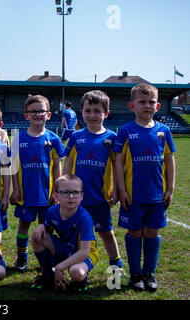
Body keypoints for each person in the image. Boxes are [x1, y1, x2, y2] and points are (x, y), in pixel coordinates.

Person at [113, 83, 176, 292]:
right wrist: (121, 190)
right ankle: (135, 274)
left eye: (151, 102)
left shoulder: (164, 131)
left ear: (158, 105)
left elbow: (169, 160)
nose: (147, 106)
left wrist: (170, 189)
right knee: (134, 233)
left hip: (157, 196)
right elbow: (118, 162)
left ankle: (149, 273)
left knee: (152, 233)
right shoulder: (126, 131)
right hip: (133, 195)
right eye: (142, 102)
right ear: (132, 106)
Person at [63, 90, 127, 285]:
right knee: (79, 235)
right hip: (76, 199)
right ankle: (81, 270)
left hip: (100, 198)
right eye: (87, 110)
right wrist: (62, 187)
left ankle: (116, 273)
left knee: (106, 233)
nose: (92, 115)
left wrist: (116, 189)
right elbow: (69, 162)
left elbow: (117, 166)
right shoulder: (76, 136)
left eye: (97, 111)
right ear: (81, 112)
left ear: (106, 113)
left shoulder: (112, 137)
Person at [9, 94, 64, 273]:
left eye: (41, 111)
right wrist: (15, 189)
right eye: (33, 111)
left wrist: (57, 191)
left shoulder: (54, 138)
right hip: (26, 194)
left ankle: (48, 259)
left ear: (48, 114)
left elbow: (57, 166)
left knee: (47, 226)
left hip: (47, 195)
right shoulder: (18, 138)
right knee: (23, 226)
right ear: (26, 115)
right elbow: (14, 166)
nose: (37, 114)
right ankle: (22, 257)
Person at [30, 174, 99, 293]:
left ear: (82, 196)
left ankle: (80, 282)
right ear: (56, 196)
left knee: (76, 272)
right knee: (37, 237)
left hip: (85, 254)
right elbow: (47, 231)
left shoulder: (85, 218)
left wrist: (59, 267)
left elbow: (84, 252)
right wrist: (42, 226)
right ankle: (48, 275)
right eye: (65, 193)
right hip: (65, 248)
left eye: (76, 192)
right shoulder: (52, 211)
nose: (71, 196)